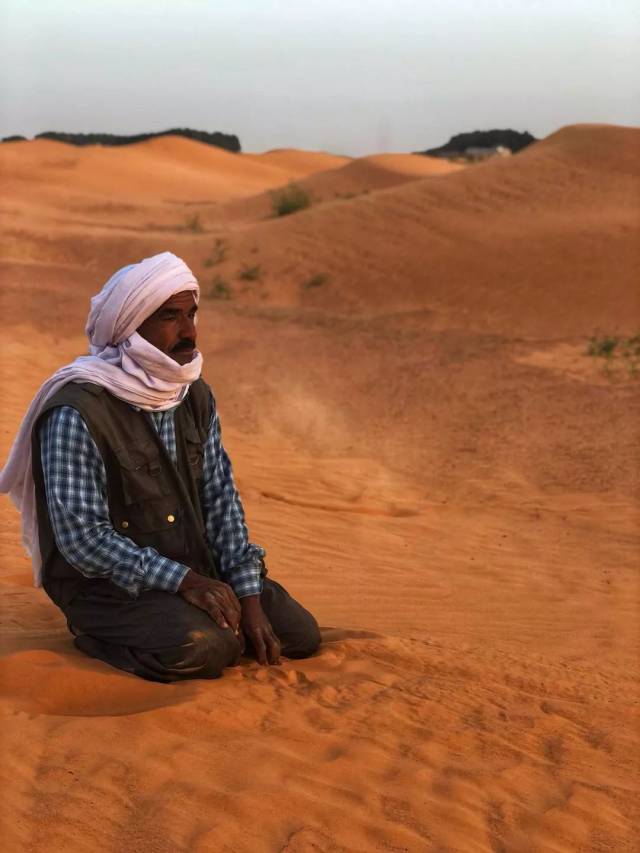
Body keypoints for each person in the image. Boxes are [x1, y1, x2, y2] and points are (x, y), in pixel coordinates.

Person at [0, 252, 320, 682]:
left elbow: (222, 503)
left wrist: (247, 595)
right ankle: (99, 639)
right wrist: (185, 581)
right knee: (208, 647)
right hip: (109, 590)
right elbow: (82, 540)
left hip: (194, 572)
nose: (188, 332)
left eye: (192, 314)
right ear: (131, 325)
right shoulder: (78, 411)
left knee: (299, 634)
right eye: (170, 316)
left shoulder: (194, 396)